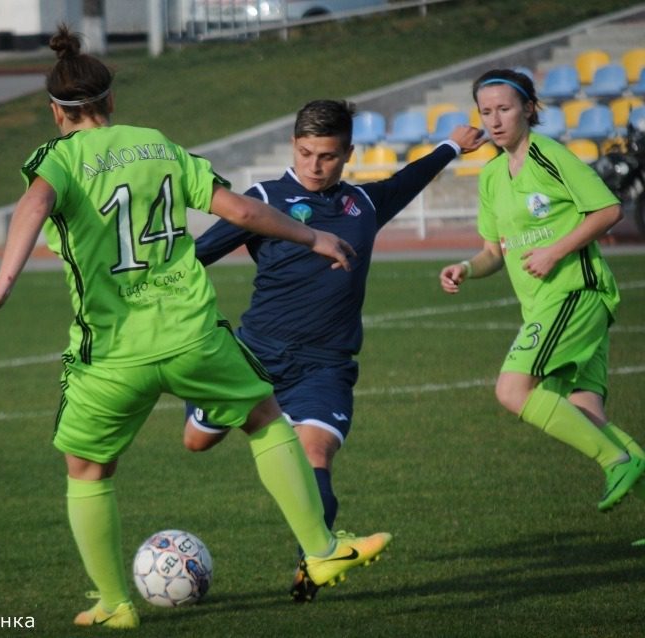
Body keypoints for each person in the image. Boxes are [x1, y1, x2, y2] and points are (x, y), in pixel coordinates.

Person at [0, 26, 392, 630]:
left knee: (88, 471)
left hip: (111, 353)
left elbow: (34, 205)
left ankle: (115, 603)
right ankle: (321, 547)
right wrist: (312, 235)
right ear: (111, 102)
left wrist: (0, 287)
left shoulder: (57, 159)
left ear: (57, 111)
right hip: (191, 335)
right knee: (265, 418)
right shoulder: (156, 144)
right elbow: (237, 209)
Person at [182, 99, 486, 602]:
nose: (314, 166)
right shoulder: (261, 200)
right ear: (293, 147)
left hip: (325, 364)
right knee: (196, 442)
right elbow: (196, 257)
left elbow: (408, 181)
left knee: (314, 452)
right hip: (254, 355)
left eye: (326, 156)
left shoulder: (362, 205)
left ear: (347, 152)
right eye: (305, 153)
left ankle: (313, 561)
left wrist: (453, 145)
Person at [438, 68, 645, 520]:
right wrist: (467, 268)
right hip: (545, 303)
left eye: (504, 109)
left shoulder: (549, 155)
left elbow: (609, 209)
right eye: (485, 112)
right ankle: (628, 460)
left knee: (513, 389)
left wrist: (554, 252)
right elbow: (496, 250)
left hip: (576, 292)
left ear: (529, 109)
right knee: (584, 407)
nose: (494, 120)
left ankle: (617, 460)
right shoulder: (492, 175)